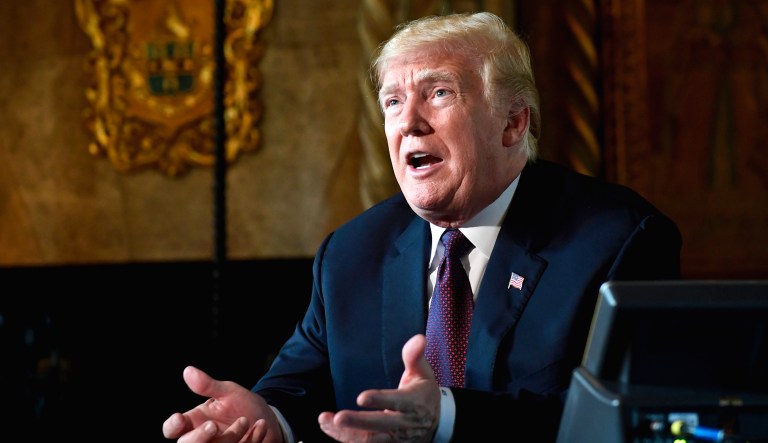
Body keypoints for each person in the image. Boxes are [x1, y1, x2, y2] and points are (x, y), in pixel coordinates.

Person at [162, 11, 682, 443]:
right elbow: (298, 390)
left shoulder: (619, 241)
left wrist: (449, 419)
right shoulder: (351, 253)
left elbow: (630, 420)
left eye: (439, 93)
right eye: (392, 101)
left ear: (513, 122)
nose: (408, 121)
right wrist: (263, 418)